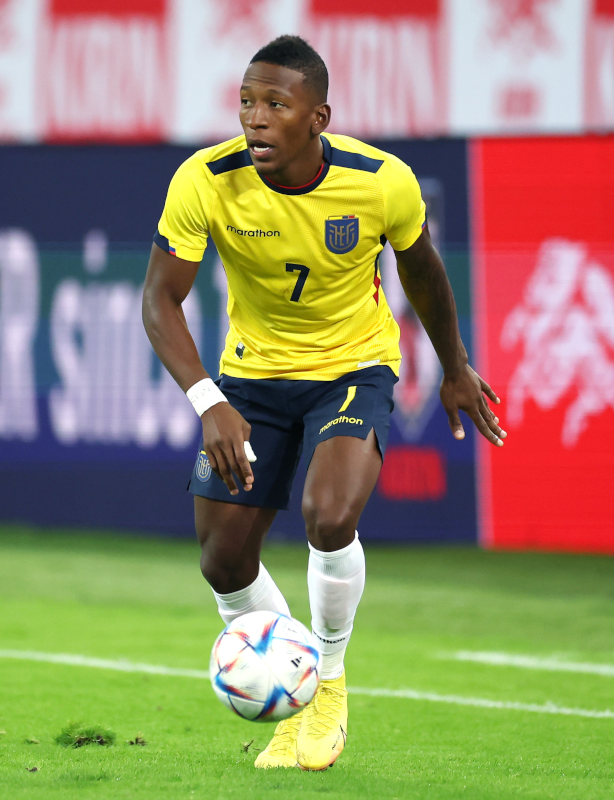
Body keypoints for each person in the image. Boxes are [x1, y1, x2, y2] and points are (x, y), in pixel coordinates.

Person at [141, 35, 506, 771]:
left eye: (276, 104)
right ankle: (293, 695)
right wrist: (209, 400)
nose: (255, 118)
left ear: (319, 118)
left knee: (330, 515)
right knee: (222, 559)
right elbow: (159, 300)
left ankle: (327, 682)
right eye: (247, 102)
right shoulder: (204, 181)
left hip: (352, 368)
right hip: (251, 378)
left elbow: (424, 272)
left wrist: (456, 368)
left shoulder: (380, 182)